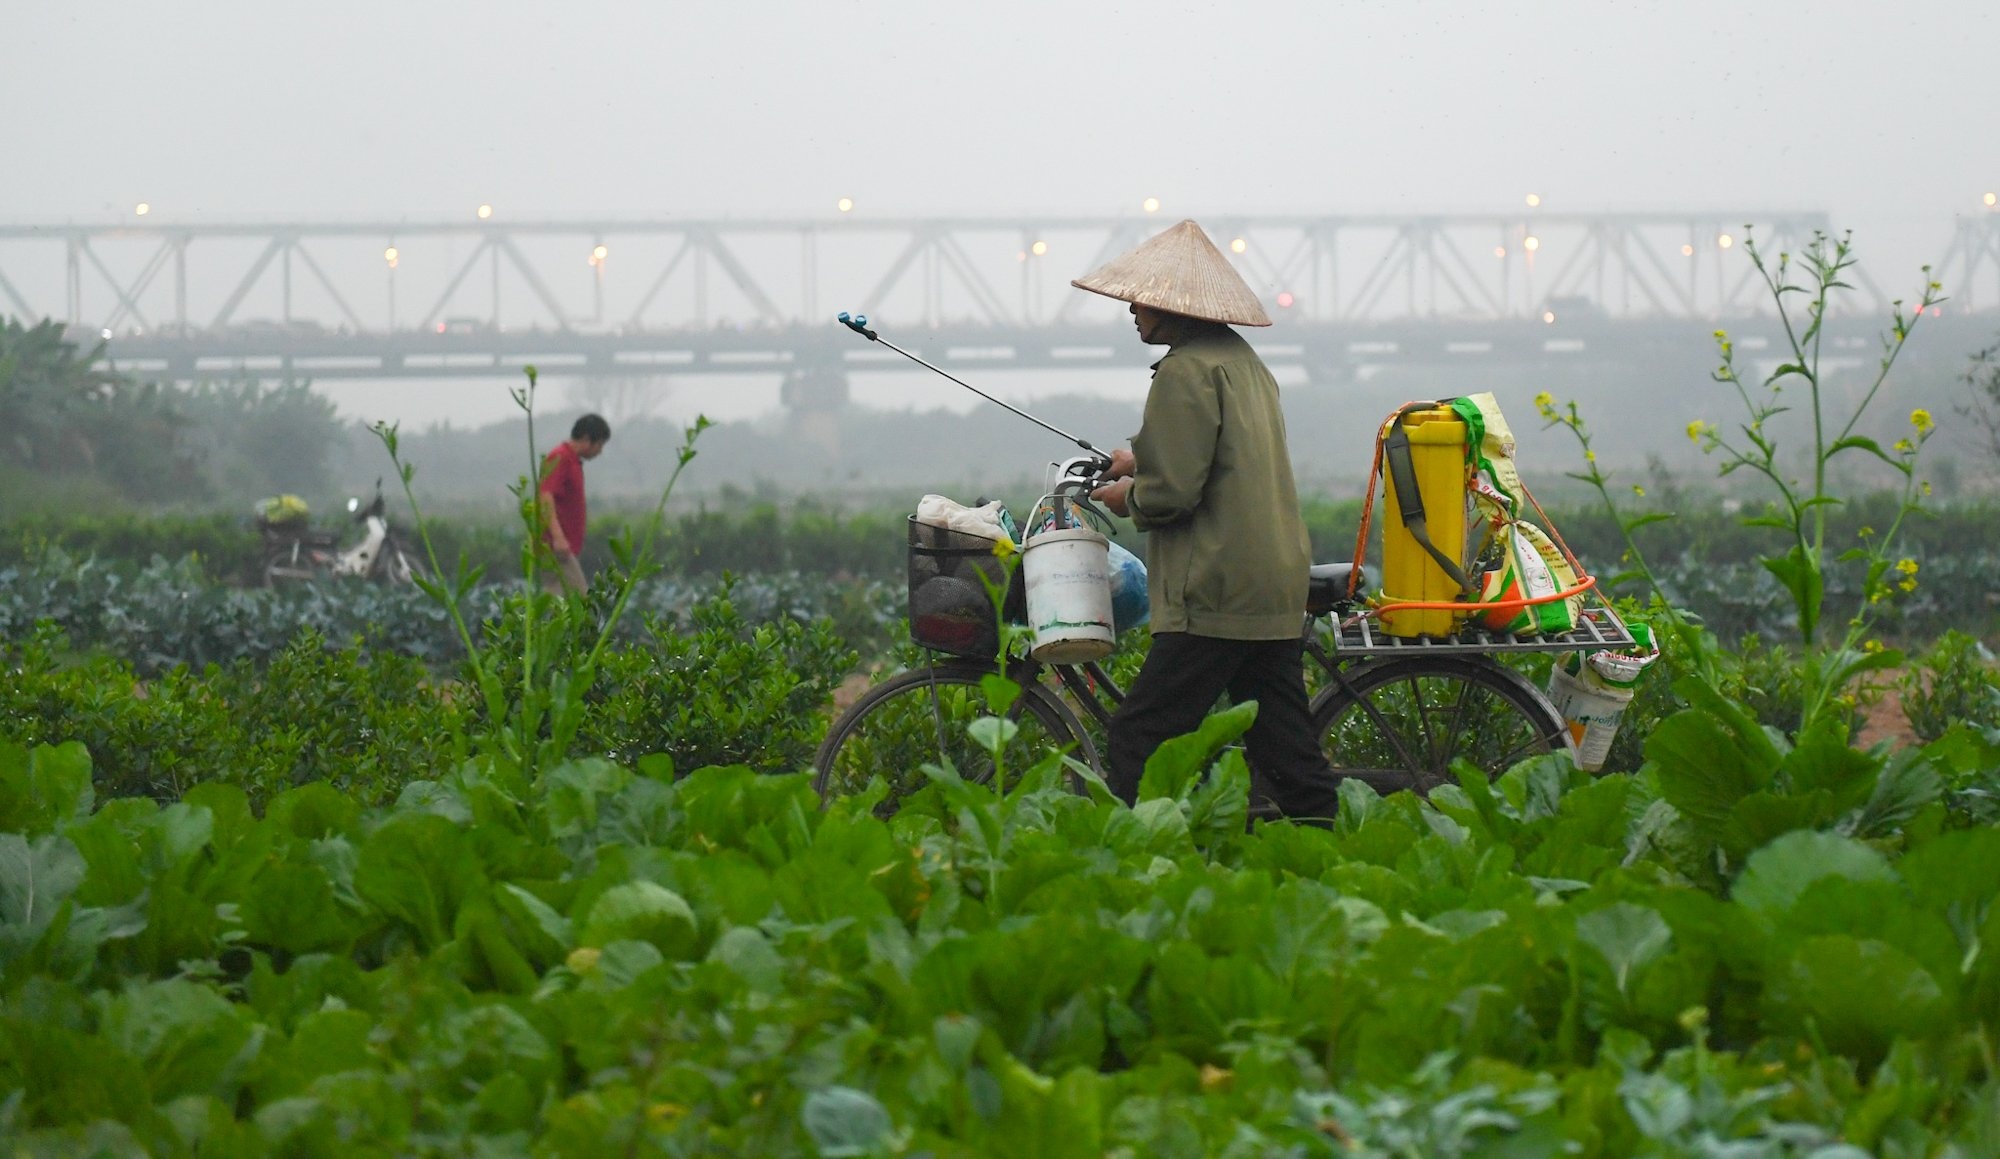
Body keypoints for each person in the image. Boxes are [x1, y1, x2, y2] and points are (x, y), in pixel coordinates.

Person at [1075, 220, 1340, 822]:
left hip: (1213, 588)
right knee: (1287, 754)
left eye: (1141, 300)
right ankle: (1328, 840)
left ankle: (1133, 861)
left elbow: (1170, 495)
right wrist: (1137, 457)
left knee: (1139, 739)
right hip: (1268, 582)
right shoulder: (1242, 364)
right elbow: (1221, 453)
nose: (1132, 310)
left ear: (1173, 307)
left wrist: (1126, 498)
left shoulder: (1183, 372)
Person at [539, 413, 611, 595]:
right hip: (555, 548)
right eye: (600, 445)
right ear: (587, 439)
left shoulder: (572, 461)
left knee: (560, 600)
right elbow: (545, 497)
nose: (600, 451)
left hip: (563, 547)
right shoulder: (560, 457)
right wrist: (558, 537)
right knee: (579, 599)